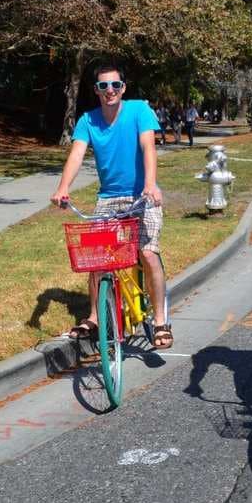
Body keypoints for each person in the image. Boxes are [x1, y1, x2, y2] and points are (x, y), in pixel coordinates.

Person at [51, 63, 173, 349]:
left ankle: (160, 321)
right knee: (97, 258)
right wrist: (63, 187)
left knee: (147, 253)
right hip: (108, 197)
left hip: (142, 195)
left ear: (123, 88)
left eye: (115, 85)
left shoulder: (139, 110)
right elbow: (77, 154)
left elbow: (148, 147)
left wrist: (151, 184)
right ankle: (94, 317)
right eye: (104, 86)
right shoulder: (88, 121)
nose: (110, 91)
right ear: (96, 90)